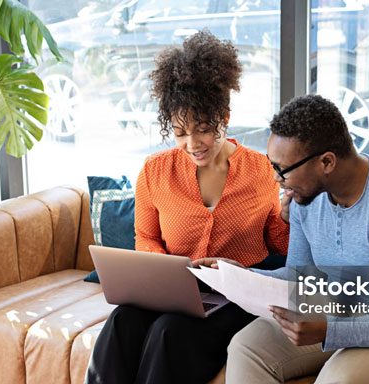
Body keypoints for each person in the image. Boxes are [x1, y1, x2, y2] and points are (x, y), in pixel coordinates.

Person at [85, 30, 289, 384]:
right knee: (123, 320)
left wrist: (292, 214)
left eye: (203, 129)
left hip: (235, 299)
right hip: (176, 295)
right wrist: (170, 271)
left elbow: (279, 244)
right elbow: (146, 238)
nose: (192, 143)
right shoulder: (155, 171)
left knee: (169, 332)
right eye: (180, 132)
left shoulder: (261, 170)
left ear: (223, 117)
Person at [222, 94, 369, 383]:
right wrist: (239, 275)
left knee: (338, 379)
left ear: (327, 162)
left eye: (282, 169)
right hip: (332, 312)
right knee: (246, 347)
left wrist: (330, 331)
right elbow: (300, 276)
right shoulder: (306, 199)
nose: (276, 180)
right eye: (273, 166)